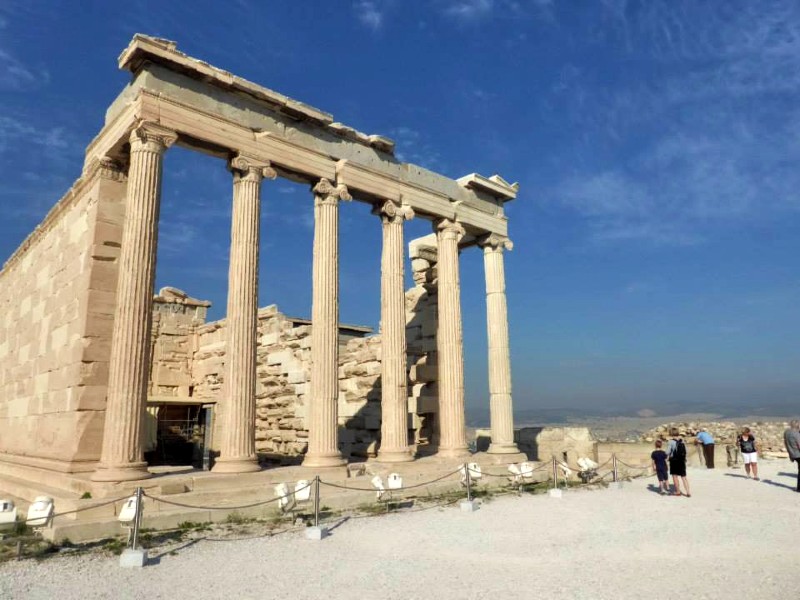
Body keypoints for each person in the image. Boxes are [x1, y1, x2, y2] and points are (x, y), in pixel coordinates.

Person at [667, 428, 691, 497]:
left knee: (675, 476)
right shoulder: (682, 441)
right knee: (684, 477)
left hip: (674, 461)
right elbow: (685, 451)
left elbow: (667, 452)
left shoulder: (670, 442)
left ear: (671, 433)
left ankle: (678, 491)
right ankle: (688, 492)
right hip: (682, 461)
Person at [783, 420, 800, 492]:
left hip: (793, 454)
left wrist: (790, 454)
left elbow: (786, 443)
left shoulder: (786, 432)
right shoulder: (796, 434)